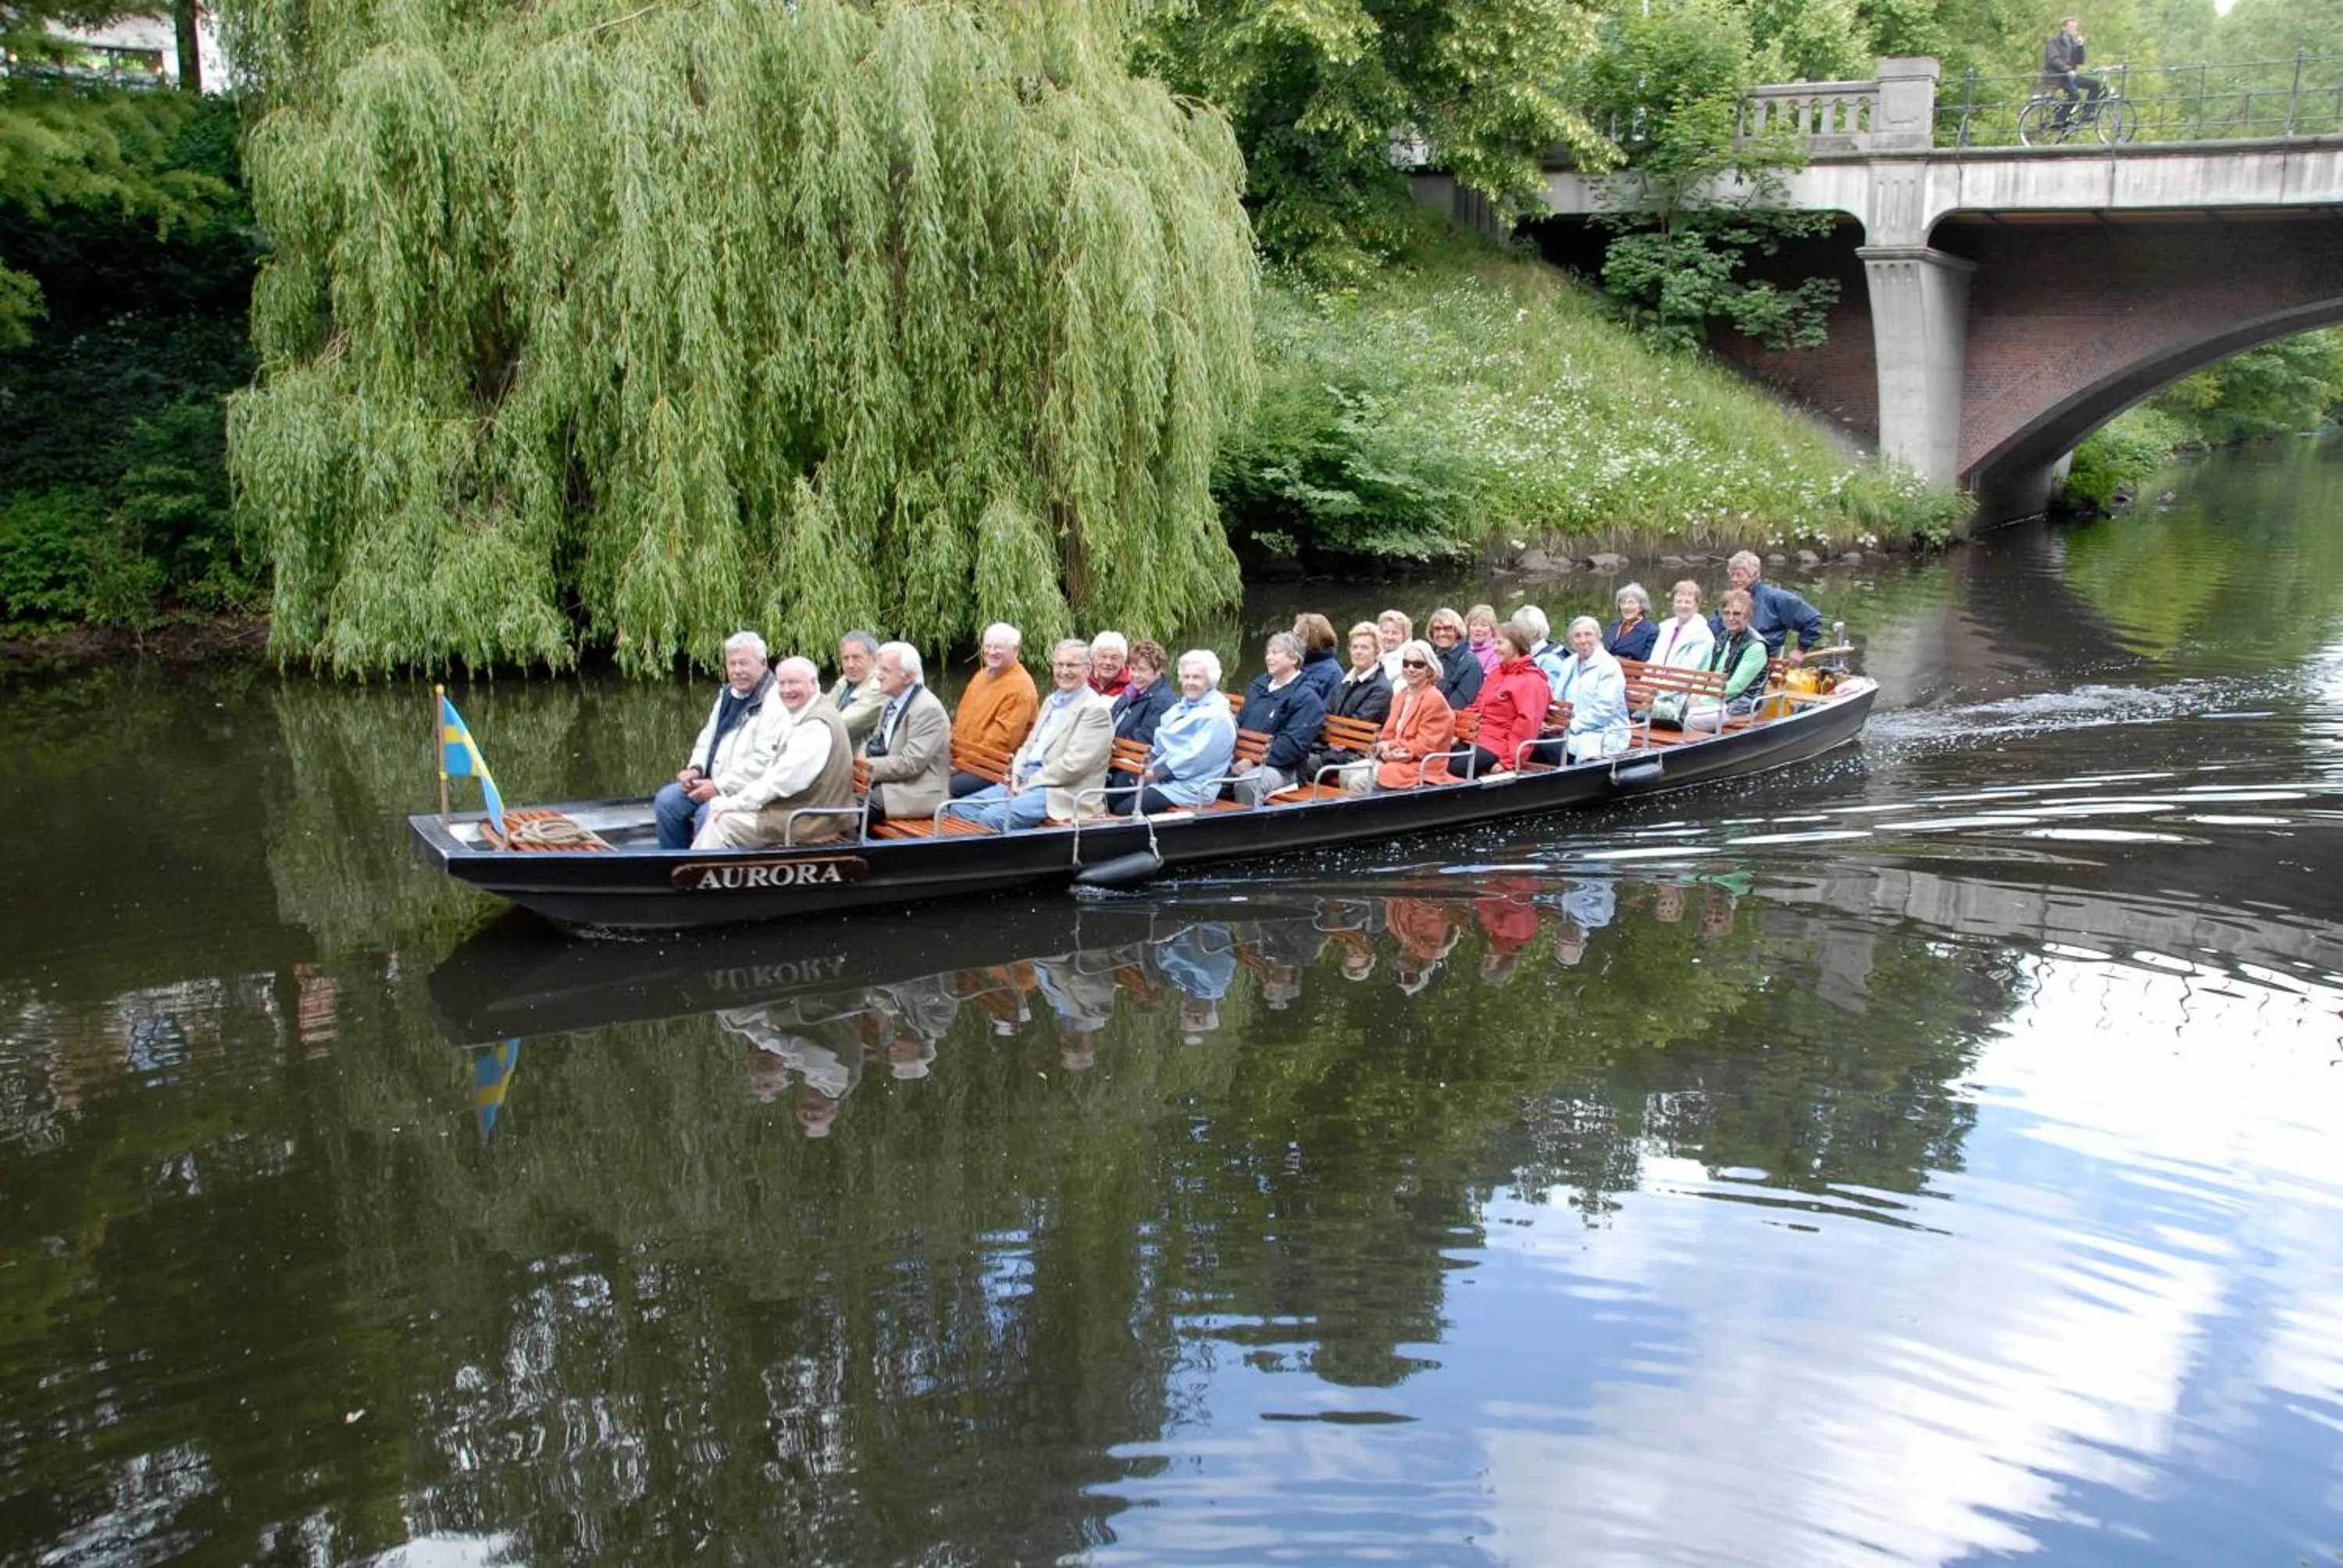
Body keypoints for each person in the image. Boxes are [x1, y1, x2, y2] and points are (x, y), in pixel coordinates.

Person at [943, 639, 1115, 830]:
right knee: (959, 809)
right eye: (1059, 664)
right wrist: (1016, 773)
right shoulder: (1052, 701)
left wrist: (1031, 782)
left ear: (1088, 669)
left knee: (993, 817)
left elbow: (1074, 765)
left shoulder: (1094, 710)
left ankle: (1001, 859)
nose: (1064, 671)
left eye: (1071, 665)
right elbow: (1029, 745)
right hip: (1027, 778)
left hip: (1060, 790)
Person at [695, 656, 857, 846]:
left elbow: (783, 781)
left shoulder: (815, 726)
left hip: (810, 821)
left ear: (813, 683)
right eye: (782, 683)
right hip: (801, 810)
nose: (786, 690)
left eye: (794, 683)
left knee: (721, 822)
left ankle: (698, 873)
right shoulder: (807, 712)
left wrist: (734, 803)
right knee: (717, 810)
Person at [654, 630, 785, 850]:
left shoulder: (775, 701)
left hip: (747, 790)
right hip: (713, 780)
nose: (736, 671)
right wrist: (695, 769)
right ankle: (675, 864)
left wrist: (719, 786)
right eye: (731, 664)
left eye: (744, 663)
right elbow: (707, 737)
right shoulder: (728, 694)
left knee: (709, 815)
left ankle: (705, 873)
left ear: (763, 663)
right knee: (667, 802)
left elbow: (764, 762)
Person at [1227, 631, 1327, 807]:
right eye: (1268, 652)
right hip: (1243, 758)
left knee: (1247, 784)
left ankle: (1250, 831)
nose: (1268, 658)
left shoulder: (1307, 698)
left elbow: (1292, 746)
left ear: (1294, 660)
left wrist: (1252, 760)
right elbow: (1241, 723)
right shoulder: (1260, 686)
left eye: (1275, 653)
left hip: (1284, 769)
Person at [1135, 650, 1238, 813]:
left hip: (1193, 787)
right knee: (1115, 793)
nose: (1190, 682)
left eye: (1197, 677)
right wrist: (1142, 763)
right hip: (1166, 779)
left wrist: (1156, 773)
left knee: (1127, 808)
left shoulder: (1218, 717)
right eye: (1186, 677)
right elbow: (1160, 743)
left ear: (1209, 681)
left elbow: (1194, 759)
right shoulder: (1180, 708)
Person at [861, 641, 950, 825]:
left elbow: (910, 763)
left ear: (908, 677)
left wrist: (865, 767)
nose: (878, 676)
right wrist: (856, 765)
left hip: (917, 791)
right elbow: (876, 742)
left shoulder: (927, 709)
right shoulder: (891, 702)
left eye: (885, 670)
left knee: (853, 808)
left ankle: (852, 851)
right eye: (879, 669)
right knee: (836, 794)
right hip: (892, 783)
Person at [949, 622, 1040, 797]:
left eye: (998, 648)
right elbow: (960, 722)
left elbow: (1000, 744)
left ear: (1015, 650)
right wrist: (950, 756)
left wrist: (958, 764)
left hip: (993, 770)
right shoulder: (981, 676)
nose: (991, 652)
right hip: (963, 761)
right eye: (988, 646)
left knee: (938, 788)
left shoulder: (1021, 687)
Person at [1302, 622, 1392, 783]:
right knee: (1293, 753)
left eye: (1364, 648)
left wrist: (1334, 737)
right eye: (1355, 647)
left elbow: (1358, 724)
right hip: (1330, 746)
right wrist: (1330, 737)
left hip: (1356, 753)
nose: (1358, 652)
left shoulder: (1381, 688)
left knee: (1301, 764)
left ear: (1377, 652)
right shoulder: (1346, 680)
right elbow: (1323, 712)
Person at [1363, 638, 1456, 792]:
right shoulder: (1400, 695)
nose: (1410, 669)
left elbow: (1424, 746)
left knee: (1358, 781)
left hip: (1422, 766)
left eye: (1418, 665)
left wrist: (1390, 747)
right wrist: (1384, 750)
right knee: (1347, 773)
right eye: (1406, 664)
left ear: (1430, 669)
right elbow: (1388, 735)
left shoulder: (1434, 699)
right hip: (1396, 759)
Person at [1463, 622, 1553, 775]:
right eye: (1495, 643)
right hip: (1476, 739)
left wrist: (1509, 762)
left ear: (1516, 646)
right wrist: (1456, 731)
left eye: (1500, 643)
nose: (1495, 649)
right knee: (1434, 751)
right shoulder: (1497, 674)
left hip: (1498, 749)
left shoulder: (1532, 681)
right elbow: (1476, 707)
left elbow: (1527, 725)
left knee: (1446, 764)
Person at [1715, 550, 1823, 664]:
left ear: (1755, 575)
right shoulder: (1729, 600)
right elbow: (1716, 627)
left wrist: (1801, 650)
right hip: (1731, 658)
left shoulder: (1776, 598)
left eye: (1739, 575)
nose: (1734, 579)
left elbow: (1812, 619)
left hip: (1765, 661)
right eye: (1732, 575)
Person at [1104, 639, 1174, 814]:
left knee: (1101, 797)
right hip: (1114, 760)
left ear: (1158, 671)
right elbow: (1109, 721)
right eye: (1133, 669)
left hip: (1134, 768)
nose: (1135, 675)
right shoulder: (1131, 692)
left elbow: (1143, 742)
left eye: (1142, 670)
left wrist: (1107, 748)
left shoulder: (1161, 701)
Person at [1550, 615, 1631, 762]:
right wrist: (1553, 722)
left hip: (1604, 732)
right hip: (1570, 730)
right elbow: (1558, 699)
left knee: (1544, 748)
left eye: (1588, 634)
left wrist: (1569, 726)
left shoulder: (1608, 666)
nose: (1583, 640)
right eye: (1577, 636)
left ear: (1598, 637)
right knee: (1533, 741)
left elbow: (1603, 712)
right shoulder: (1569, 663)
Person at [1689, 588, 1771, 730]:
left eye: (1737, 614)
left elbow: (1736, 686)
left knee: (1689, 718)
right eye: (1726, 613)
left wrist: (1703, 700)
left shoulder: (1756, 646)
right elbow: (1706, 672)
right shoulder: (1723, 637)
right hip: (1714, 699)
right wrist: (1695, 695)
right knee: (1671, 709)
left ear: (1747, 616)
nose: (1731, 618)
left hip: (1739, 706)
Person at [827, 629, 887, 745]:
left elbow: (842, 725)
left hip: (862, 759)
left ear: (875, 659)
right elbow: (823, 707)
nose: (850, 665)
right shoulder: (845, 682)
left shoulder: (880, 687)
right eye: (846, 658)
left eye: (856, 658)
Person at [2042, 16, 2104, 127]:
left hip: (2070, 76)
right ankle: (2058, 120)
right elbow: (2053, 59)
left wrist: (2080, 46)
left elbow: (2080, 61)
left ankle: (2088, 113)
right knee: (2074, 95)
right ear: (2064, 28)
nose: (2073, 29)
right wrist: (2067, 69)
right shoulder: (2055, 42)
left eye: (2075, 27)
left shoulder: (2073, 43)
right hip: (2059, 76)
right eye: (2071, 27)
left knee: (2095, 84)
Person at [1425, 606, 1484, 709]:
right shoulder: (1428, 658)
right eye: (1437, 629)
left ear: (1458, 631)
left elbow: (1458, 706)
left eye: (1447, 628)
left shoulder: (1470, 664)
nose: (1442, 633)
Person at [1649, 579, 1716, 669]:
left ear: (1696, 606)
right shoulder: (1664, 628)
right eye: (1679, 601)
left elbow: (1688, 670)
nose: (1683, 606)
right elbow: (1653, 661)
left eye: (1688, 602)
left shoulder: (1703, 636)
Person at [1291, 612, 1343, 704]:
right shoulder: (1294, 664)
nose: (1290, 641)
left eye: (1296, 637)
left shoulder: (1333, 673)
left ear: (1309, 640)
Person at [1605, 583, 1657, 663]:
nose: (1626, 607)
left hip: (1630, 674)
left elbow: (1647, 663)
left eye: (1631, 602)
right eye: (1623, 602)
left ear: (1641, 606)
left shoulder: (1651, 631)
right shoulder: (1614, 626)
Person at [1089, 630, 1132, 700]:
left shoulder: (1132, 685)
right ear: (1094, 659)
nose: (1108, 662)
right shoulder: (1083, 681)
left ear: (1123, 661)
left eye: (1114, 658)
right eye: (1103, 656)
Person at [1375, 608, 1414, 682]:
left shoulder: (1408, 660)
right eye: (1386, 632)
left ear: (1404, 636)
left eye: (1395, 633)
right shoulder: (1375, 654)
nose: (1389, 637)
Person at [1465, 603, 1502, 677]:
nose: (1478, 629)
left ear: (1492, 628)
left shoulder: (1496, 653)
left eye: (1484, 625)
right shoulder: (1463, 649)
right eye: (1474, 625)